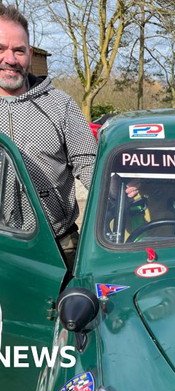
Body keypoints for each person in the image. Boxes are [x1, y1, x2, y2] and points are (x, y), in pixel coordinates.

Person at [0, 5, 97, 271]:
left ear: (30, 54)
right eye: (1, 49)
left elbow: (89, 163)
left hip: (59, 246)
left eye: (19, 50)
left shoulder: (59, 105)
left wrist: (121, 190)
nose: (10, 59)